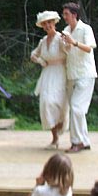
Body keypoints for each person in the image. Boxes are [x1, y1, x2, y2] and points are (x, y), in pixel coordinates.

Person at [60, 2, 97, 153]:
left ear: (74, 15)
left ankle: (77, 142)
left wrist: (73, 42)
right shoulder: (66, 30)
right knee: (78, 110)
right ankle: (85, 141)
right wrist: (66, 45)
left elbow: (89, 48)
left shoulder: (86, 29)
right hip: (71, 75)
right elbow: (66, 51)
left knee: (76, 108)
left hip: (85, 74)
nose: (64, 17)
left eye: (66, 14)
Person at [31, 11, 69, 150]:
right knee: (46, 102)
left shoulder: (60, 38)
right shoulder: (43, 41)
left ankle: (61, 124)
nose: (47, 25)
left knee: (58, 102)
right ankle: (54, 138)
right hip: (47, 74)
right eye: (44, 24)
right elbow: (33, 54)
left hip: (60, 73)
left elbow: (68, 51)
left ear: (54, 23)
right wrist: (40, 60)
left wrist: (68, 44)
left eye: (49, 22)